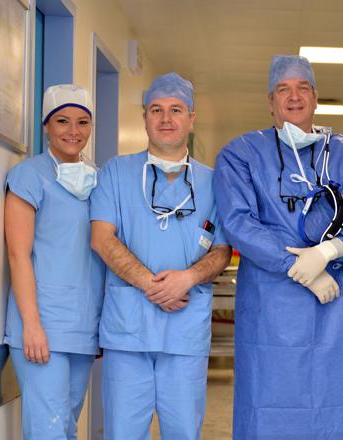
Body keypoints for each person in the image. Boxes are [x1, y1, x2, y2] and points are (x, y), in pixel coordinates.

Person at [214, 55, 343, 439]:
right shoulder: (241, 155)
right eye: (283, 89)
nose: (294, 97)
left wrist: (327, 252)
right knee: (269, 405)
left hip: (334, 306)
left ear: (316, 98)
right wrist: (300, 269)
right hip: (269, 309)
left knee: (334, 404)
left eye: (302, 88)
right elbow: (239, 222)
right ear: (270, 101)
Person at [89, 73, 231, 440]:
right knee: (122, 432)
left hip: (184, 334)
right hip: (128, 331)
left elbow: (222, 250)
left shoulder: (214, 182)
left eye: (176, 110)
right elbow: (101, 239)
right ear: (144, 117)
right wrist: (153, 286)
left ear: (191, 119)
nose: (166, 118)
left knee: (184, 431)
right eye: (156, 110)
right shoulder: (116, 172)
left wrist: (187, 279)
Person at [3, 84, 104, 439]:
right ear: (46, 125)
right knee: (48, 431)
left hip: (82, 326)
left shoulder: (97, 180)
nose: (73, 131)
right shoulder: (29, 176)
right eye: (62, 121)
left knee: (65, 427)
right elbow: (18, 254)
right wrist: (31, 325)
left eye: (82, 122)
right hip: (42, 325)